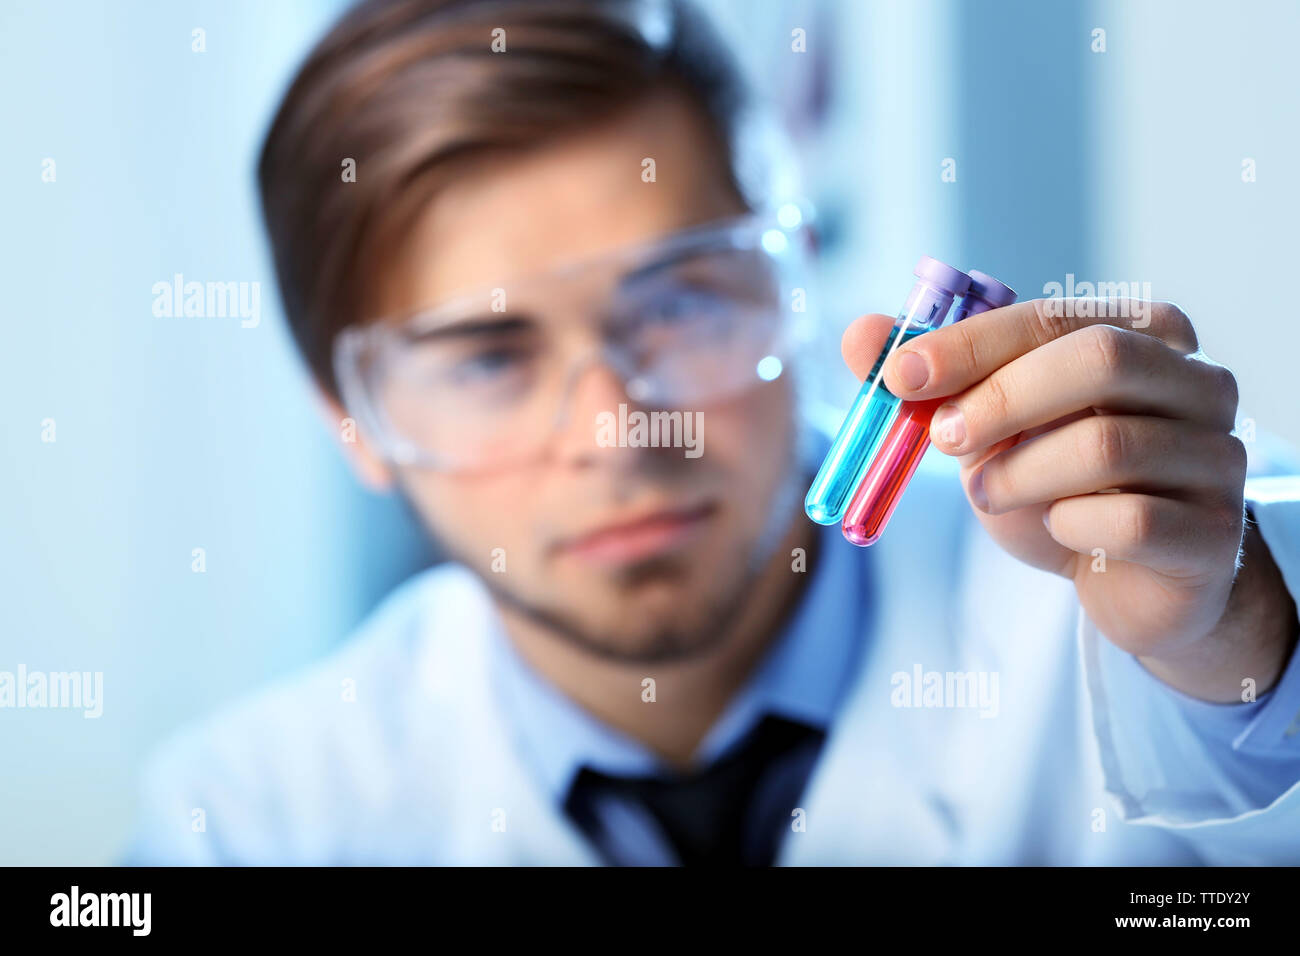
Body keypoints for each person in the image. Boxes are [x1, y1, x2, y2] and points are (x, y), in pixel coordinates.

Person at [125, 0, 1300, 866]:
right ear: (354, 421)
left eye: (681, 297)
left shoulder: (1110, 614)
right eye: (487, 355)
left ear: (790, 276)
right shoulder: (246, 820)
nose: (615, 431)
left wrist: (1238, 648)